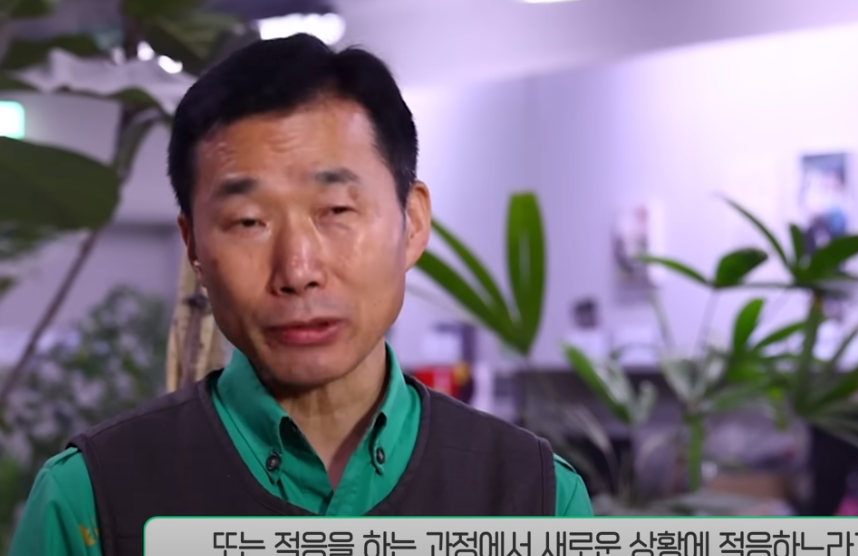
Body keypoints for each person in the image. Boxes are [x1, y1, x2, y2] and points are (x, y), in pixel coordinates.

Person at [8, 33, 592, 556]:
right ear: (194, 247)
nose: (297, 270)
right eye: (248, 221)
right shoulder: (90, 503)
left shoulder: (537, 499)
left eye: (336, 210)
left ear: (412, 224)